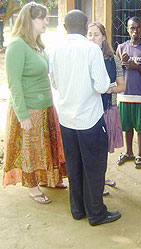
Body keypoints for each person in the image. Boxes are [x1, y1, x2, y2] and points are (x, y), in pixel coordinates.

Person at [50, 10, 121, 226]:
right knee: (94, 166)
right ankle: (96, 213)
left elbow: (53, 82)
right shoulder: (91, 49)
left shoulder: (56, 49)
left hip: (66, 119)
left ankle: (78, 209)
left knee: (74, 165)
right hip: (89, 120)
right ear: (84, 26)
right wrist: (111, 87)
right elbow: (101, 86)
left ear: (65, 26)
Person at [3, 2, 67, 204]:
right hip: (29, 108)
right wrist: (23, 116)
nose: (46, 22)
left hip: (46, 106)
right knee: (32, 149)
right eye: (42, 18)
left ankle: (48, 178)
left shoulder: (37, 45)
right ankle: (32, 185)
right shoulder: (16, 46)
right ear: (29, 20)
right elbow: (14, 84)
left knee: (46, 148)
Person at [87, 22, 126, 196]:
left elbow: (122, 85)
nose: (92, 38)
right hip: (88, 111)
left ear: (103, 37)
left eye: (96, 34)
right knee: (92, 148)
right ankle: (95, 182)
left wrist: (110, 89)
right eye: (89, 34)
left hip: (108, 108)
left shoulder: (113, 59)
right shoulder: (84, 57)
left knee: (102, 148)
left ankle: (100, 178)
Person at [116, 16, 141, 169]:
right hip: (125, 94)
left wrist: (136, 66)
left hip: (140, 94)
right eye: (132, 28)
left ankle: (139, 154)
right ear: (127, 30)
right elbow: (116, 70)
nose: (135, 31)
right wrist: (122, 63)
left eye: (137, 27)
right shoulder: (121, 48)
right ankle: (128, 152)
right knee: (127, 126)